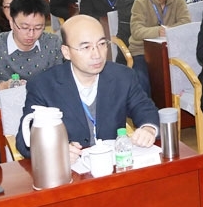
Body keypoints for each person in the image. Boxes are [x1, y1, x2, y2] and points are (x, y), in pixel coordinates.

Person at [16, 15, 159, 163]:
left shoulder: (122, 76)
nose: (97, 54)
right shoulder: (43, 86)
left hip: (114, 166)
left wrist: (148, 129)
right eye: (86, 47)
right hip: (71, 170)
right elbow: (24, 141)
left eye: (101, 44)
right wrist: (54, 151)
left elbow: (145, 109)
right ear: (66, 52)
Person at [128, 0, 191, 95]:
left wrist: (169, 30)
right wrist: (158, 31)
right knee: (142, 79)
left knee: (184, 74)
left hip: (171, 49)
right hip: (143, 51)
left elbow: (186, 22)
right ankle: (146, 107)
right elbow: (136, 30)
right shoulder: (140, 2)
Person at [0, 0, 64, 97]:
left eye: (38, 28)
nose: (31, 34)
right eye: (24, 27)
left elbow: (62, 79)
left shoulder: (53, 43)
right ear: (11, 23)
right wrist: (1, 86)